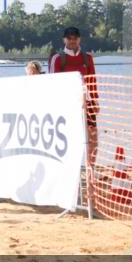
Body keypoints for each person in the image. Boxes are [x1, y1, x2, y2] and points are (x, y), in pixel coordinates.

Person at [49, 26, 99, 166]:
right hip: (67, 105)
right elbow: (53, 84)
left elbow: (92, 80)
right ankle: (70, 168)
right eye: (69, 38)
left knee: (93, 136)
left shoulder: (87, 58)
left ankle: (91, 167)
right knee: (69, 137)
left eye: (75, 38)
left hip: (87, 104)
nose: (72, 41)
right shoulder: (58, 59)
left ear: (79, 39)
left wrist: (95, 101)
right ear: (64, 40)